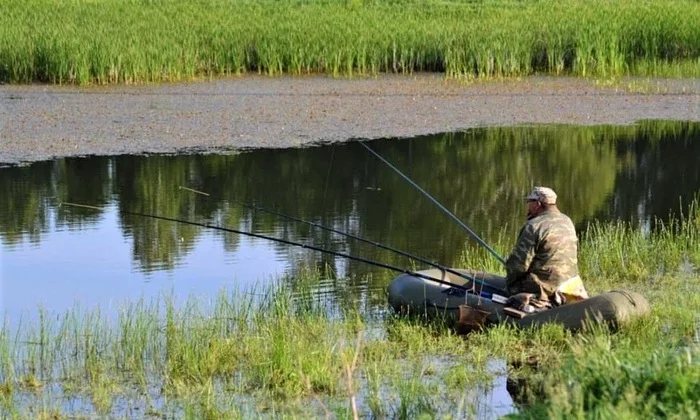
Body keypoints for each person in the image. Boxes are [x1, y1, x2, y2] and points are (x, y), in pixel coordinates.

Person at [505, 186, 589, 308]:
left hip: (544, 286)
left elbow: (519, 265)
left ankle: (538, 299)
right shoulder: (567, 221)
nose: (528, 206)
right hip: (569, 283)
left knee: (511, 284)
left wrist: (510, 279)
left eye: (530, 202)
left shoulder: (534, 226)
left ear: (538, 204)